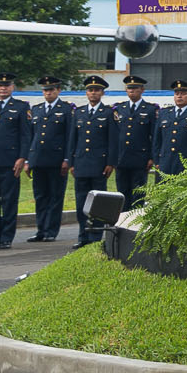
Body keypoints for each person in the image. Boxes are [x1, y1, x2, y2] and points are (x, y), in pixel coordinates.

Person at [24, 76, 75, 243]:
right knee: (40, 196)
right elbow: (32, 137)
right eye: (45, 90)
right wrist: (28, 160)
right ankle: (40, 230)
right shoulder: (37, 109)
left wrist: (67, 159)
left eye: (52, 90)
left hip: (57, 160)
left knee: (55, 196)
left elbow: (70, 137)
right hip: (38, 160)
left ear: (58, 91)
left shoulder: (67, 109)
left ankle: (51, 231)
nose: (48, 93)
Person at [65, 75, 114, 245]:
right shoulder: (78, 112)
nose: (93, 93)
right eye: (90, 90)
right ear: (86, 93)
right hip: (81, 164)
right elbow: (73, 140)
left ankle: (95, 237)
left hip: (99, 165)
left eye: (97, 90)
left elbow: (112, 141)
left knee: (98, 202)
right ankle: (82, 236)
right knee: (81, 202)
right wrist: (71, 162)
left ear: (102, 93)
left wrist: (110, 163)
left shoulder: (108, 113)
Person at [0, 72, 31, 247]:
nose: (3, 88)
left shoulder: (20, 107)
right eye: (0, 85)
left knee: (9, 201)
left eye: (7, 85)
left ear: (12, 87)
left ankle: (6, 237)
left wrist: (22, 158)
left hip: (11, 163)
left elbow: (26, 136)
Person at [112, 74, 155, 207]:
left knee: (138, 195)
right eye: (129, 88)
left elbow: (154, 136)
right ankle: (122, 224)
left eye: (135, 88)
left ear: (142, 90)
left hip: (140, 159)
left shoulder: (150, 109)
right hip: (121, 158)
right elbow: (114, 136)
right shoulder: (118, 108)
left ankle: (134, 225)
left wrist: (151, 157)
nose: (132, 90)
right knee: (122, 194)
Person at [152, 79, 187, 177]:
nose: (179, 96)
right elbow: (157, 140)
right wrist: (157, 161)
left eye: (183, 93)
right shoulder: (164, 113)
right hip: (165, 162)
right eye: (177, 93)